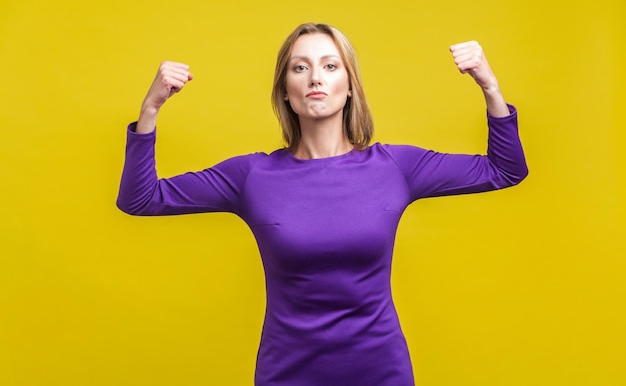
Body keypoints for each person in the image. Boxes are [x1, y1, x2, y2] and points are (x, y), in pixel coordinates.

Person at [117, 22, 528, 386]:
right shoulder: (252, 177)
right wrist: (149, 110)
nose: (315, 77)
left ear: (349, 87)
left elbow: (505, 170)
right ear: (285, 90)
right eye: (300, 67)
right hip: (287, 373)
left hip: (380, 371)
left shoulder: (395, 167)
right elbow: (141, 198)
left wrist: (489, 86)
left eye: (330, 66)